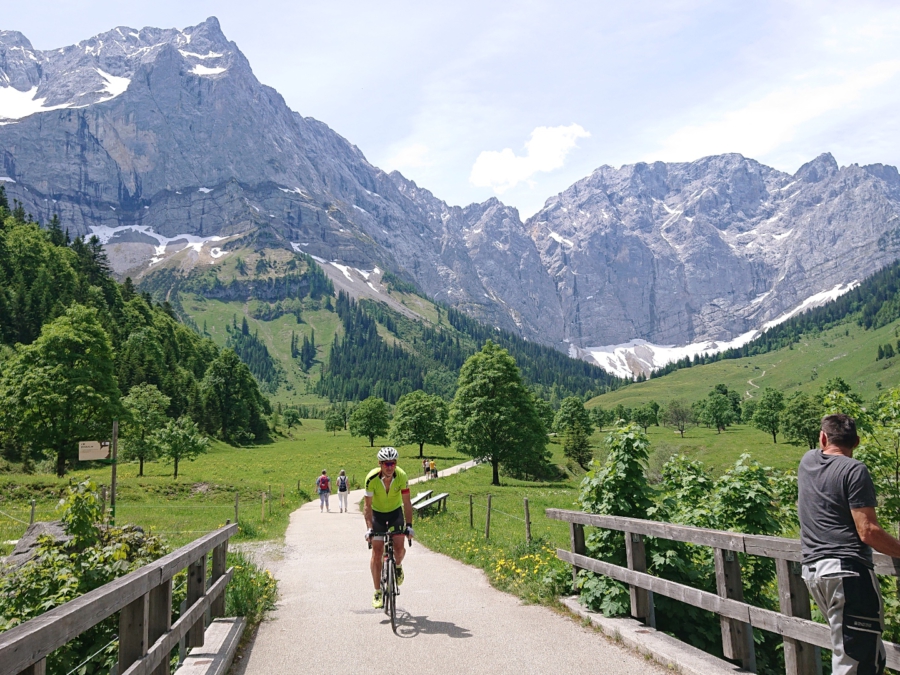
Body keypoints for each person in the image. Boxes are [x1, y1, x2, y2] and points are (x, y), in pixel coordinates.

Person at [798, 414, 900, 675]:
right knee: (855, 662)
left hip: (814, 571)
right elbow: (868, 532)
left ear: (822, 438)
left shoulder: (808, 461)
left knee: (863, 654)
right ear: (856, 442)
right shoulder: (854, 470)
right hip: (847, 573)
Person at [364, 447, 414, 609]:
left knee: (399, 549)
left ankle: (397, 566)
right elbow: (367, 506)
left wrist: (409, 526)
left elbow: (406, 503)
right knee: (377, 552)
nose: (389, 467)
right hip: (377, 514)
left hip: (395, 513)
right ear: (380, 464)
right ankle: (377, 591)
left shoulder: (401, 476)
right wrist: (369, 528)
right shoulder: (371, 478)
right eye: (386, 463)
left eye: (392, 463)